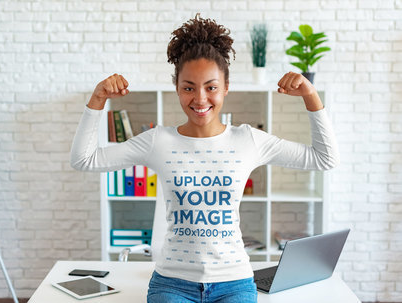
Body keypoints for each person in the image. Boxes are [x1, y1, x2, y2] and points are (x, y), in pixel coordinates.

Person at [70, 14, 339, 303]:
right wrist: (97, 99)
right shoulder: (158, 141)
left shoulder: (247, 140)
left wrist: (310, 96)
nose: (200, 99)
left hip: (234, 282)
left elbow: (325, 158)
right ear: (177, 89)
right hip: (172, 284)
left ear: (226, 88)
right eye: (189, 87)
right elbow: (84, 159)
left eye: (211, 87)